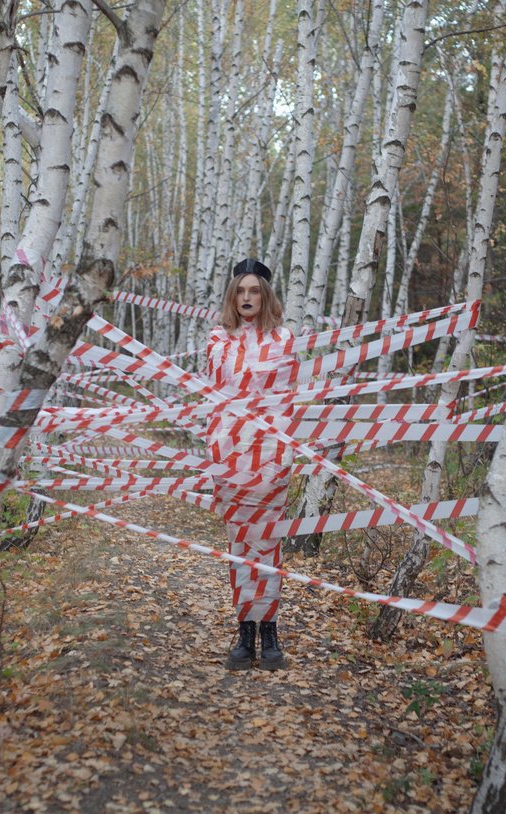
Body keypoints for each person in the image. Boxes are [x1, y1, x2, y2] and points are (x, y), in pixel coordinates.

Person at [205, 258, 296, 671]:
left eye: (254, 291)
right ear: (231, 296)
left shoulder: (284, 340)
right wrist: (215, 456)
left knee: (269, 543)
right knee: (240, 545)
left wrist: (284, 453)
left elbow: (288, 400)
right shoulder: (217, 341)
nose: (246, 298)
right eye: (240, 291)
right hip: (231, 458)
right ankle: (245, 632)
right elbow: (214, 399)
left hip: (272, 458)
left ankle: (270, 631)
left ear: (265, 295)